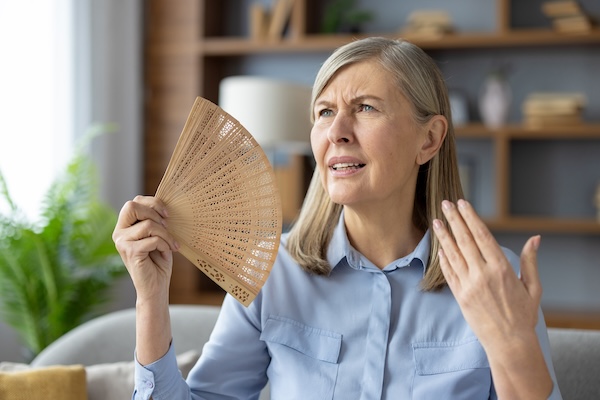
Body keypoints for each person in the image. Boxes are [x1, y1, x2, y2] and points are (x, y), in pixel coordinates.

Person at [113, 37, 562, 399]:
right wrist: (151, 300)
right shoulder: (273, 271)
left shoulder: (492, 283)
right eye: (325, 112)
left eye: (365, 108)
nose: (337, 131)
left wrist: (511, 345)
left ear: (430, 139)